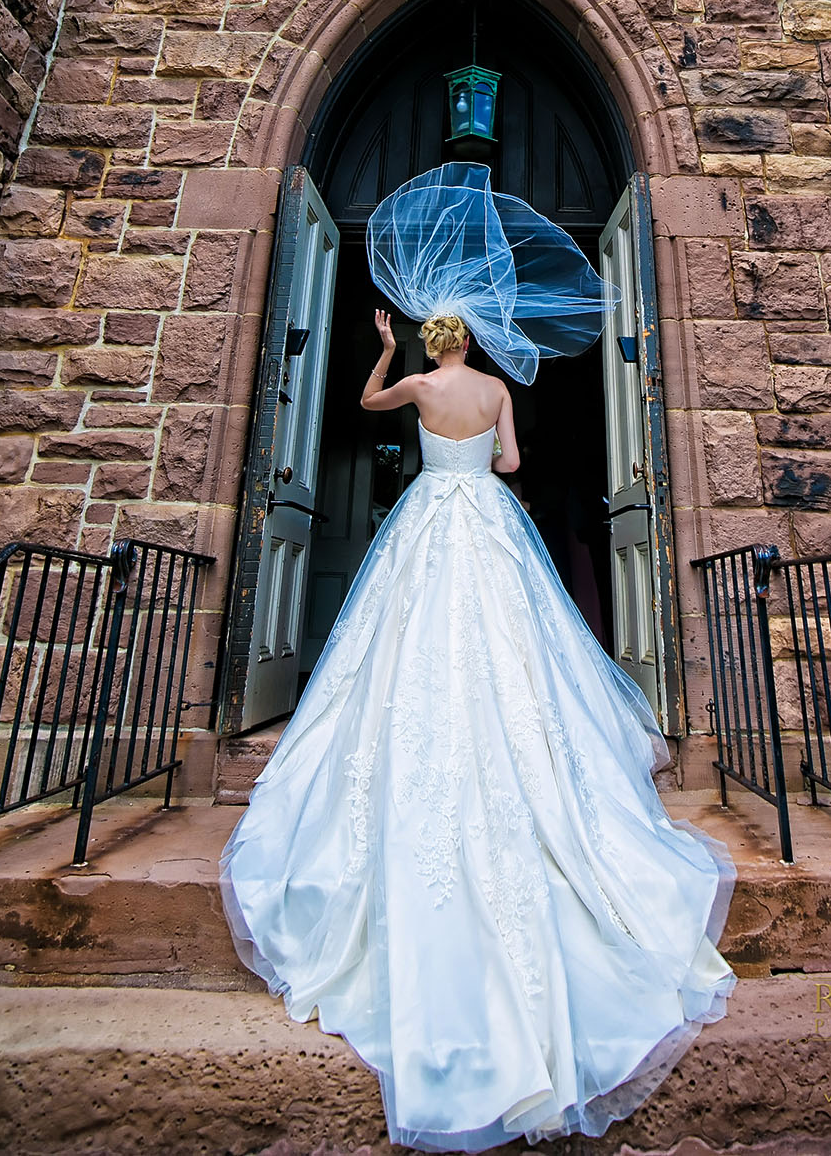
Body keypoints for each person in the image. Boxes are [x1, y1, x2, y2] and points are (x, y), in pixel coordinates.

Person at [221, 164, 735, 1151]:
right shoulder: (497, 388)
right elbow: (509, 467)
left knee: (404, 651)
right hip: (487, 520)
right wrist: (488, 446)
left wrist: (380, 353)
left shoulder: (415, 381)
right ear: (479, 338)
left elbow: (366, 409)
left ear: (429, 336)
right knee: (513, 656)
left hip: (424, 519)